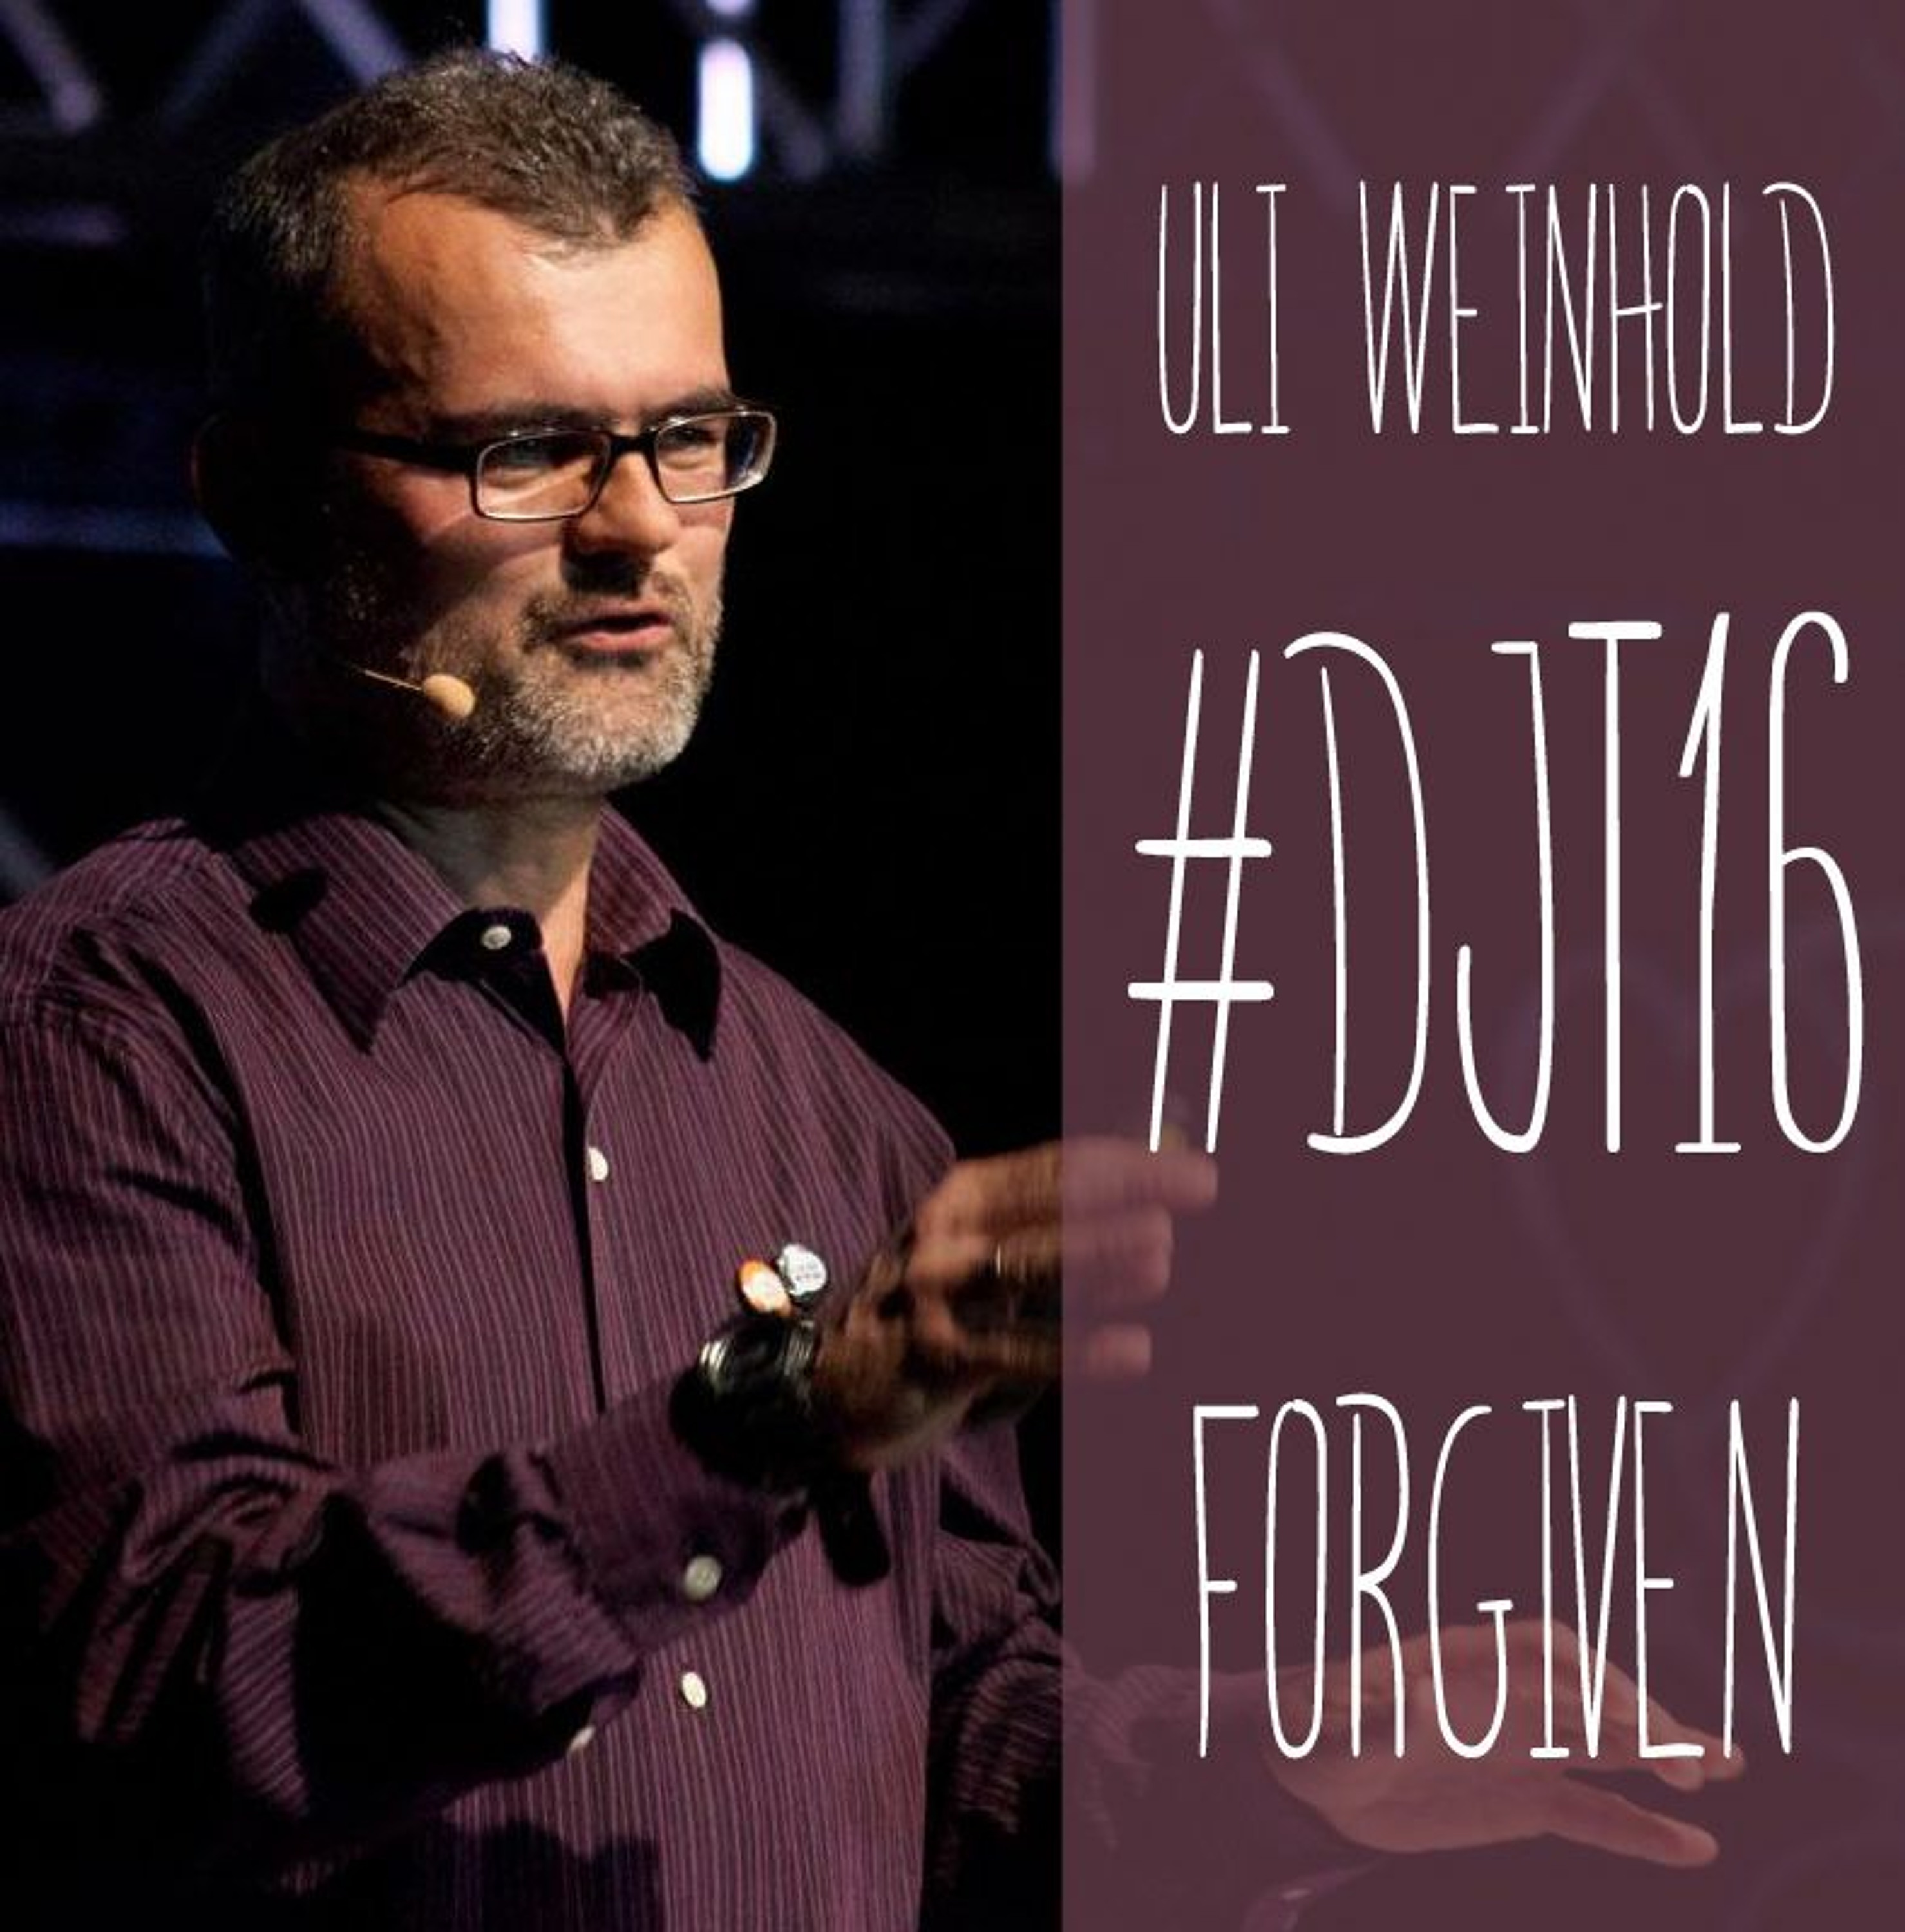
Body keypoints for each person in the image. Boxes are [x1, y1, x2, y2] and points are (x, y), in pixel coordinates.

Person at [0, 48, 1735, 1932]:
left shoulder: (826, 1110)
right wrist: (760, 1425)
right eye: (526, 450)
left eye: (689, 437)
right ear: (258, 494)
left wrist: (1264, 1772)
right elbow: (172, 1694)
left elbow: (946, 1733)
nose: (638, 526)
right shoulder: (98, 1034)